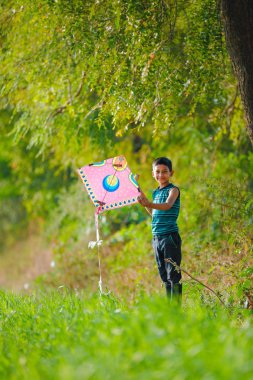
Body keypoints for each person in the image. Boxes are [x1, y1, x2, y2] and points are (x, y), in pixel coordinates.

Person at [137, 157, 182, 302]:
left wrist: (149, 203)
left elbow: (167, 205)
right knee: (164, 276)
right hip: (157, 238)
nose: (161, 175)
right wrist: (137, 189)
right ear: (153, 173)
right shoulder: (156, 193)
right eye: (157, 172)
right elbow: (153, 212)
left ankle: (176, 311)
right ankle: (170, 311)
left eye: (164, 172)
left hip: (169, 237)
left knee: (173, 275)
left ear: (171, 173)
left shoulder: (173, 190)